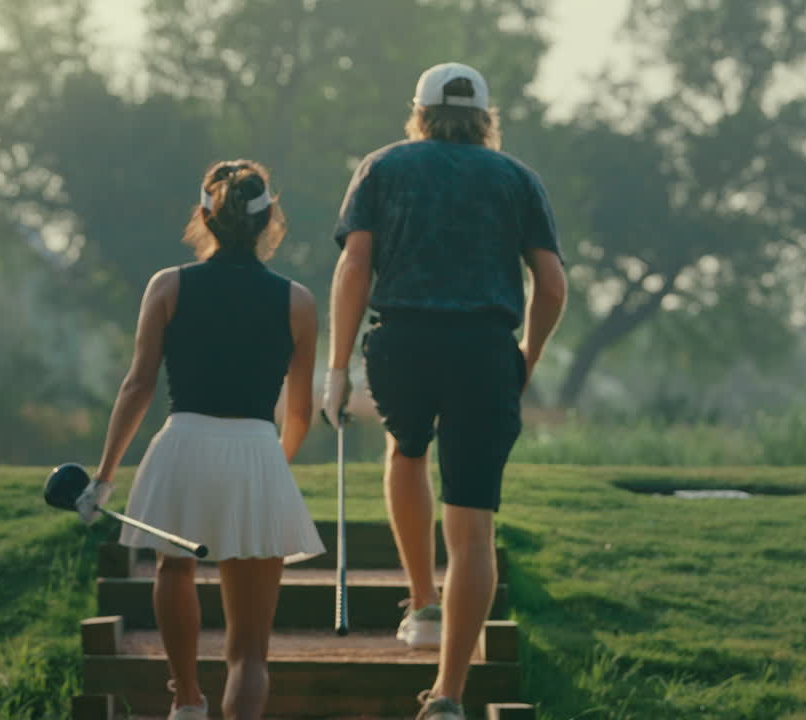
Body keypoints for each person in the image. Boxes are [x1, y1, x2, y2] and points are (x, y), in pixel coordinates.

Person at [323, 62, 567, 719]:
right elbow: (551, 287)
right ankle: (449, 694)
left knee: (406, 450)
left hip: (403, 341)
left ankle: (422, 601)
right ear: (486, 119)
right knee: (474, 527)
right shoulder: (517, 179)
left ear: (420, 112)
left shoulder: (383, 167)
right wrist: (527, 357)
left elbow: (354, 265)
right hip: (485, 351)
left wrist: (337, 366)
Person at [76, 160, 325, 720]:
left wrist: (105, 475)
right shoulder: (299, 302)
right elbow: (301, 412)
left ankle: (186, 698)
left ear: (206, 219)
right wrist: (270, 470)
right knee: (250, 656)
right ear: (269, 223)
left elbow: (137, 384)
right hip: (258, 449)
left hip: (183, 444)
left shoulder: (168, 286)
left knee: (174, 567)